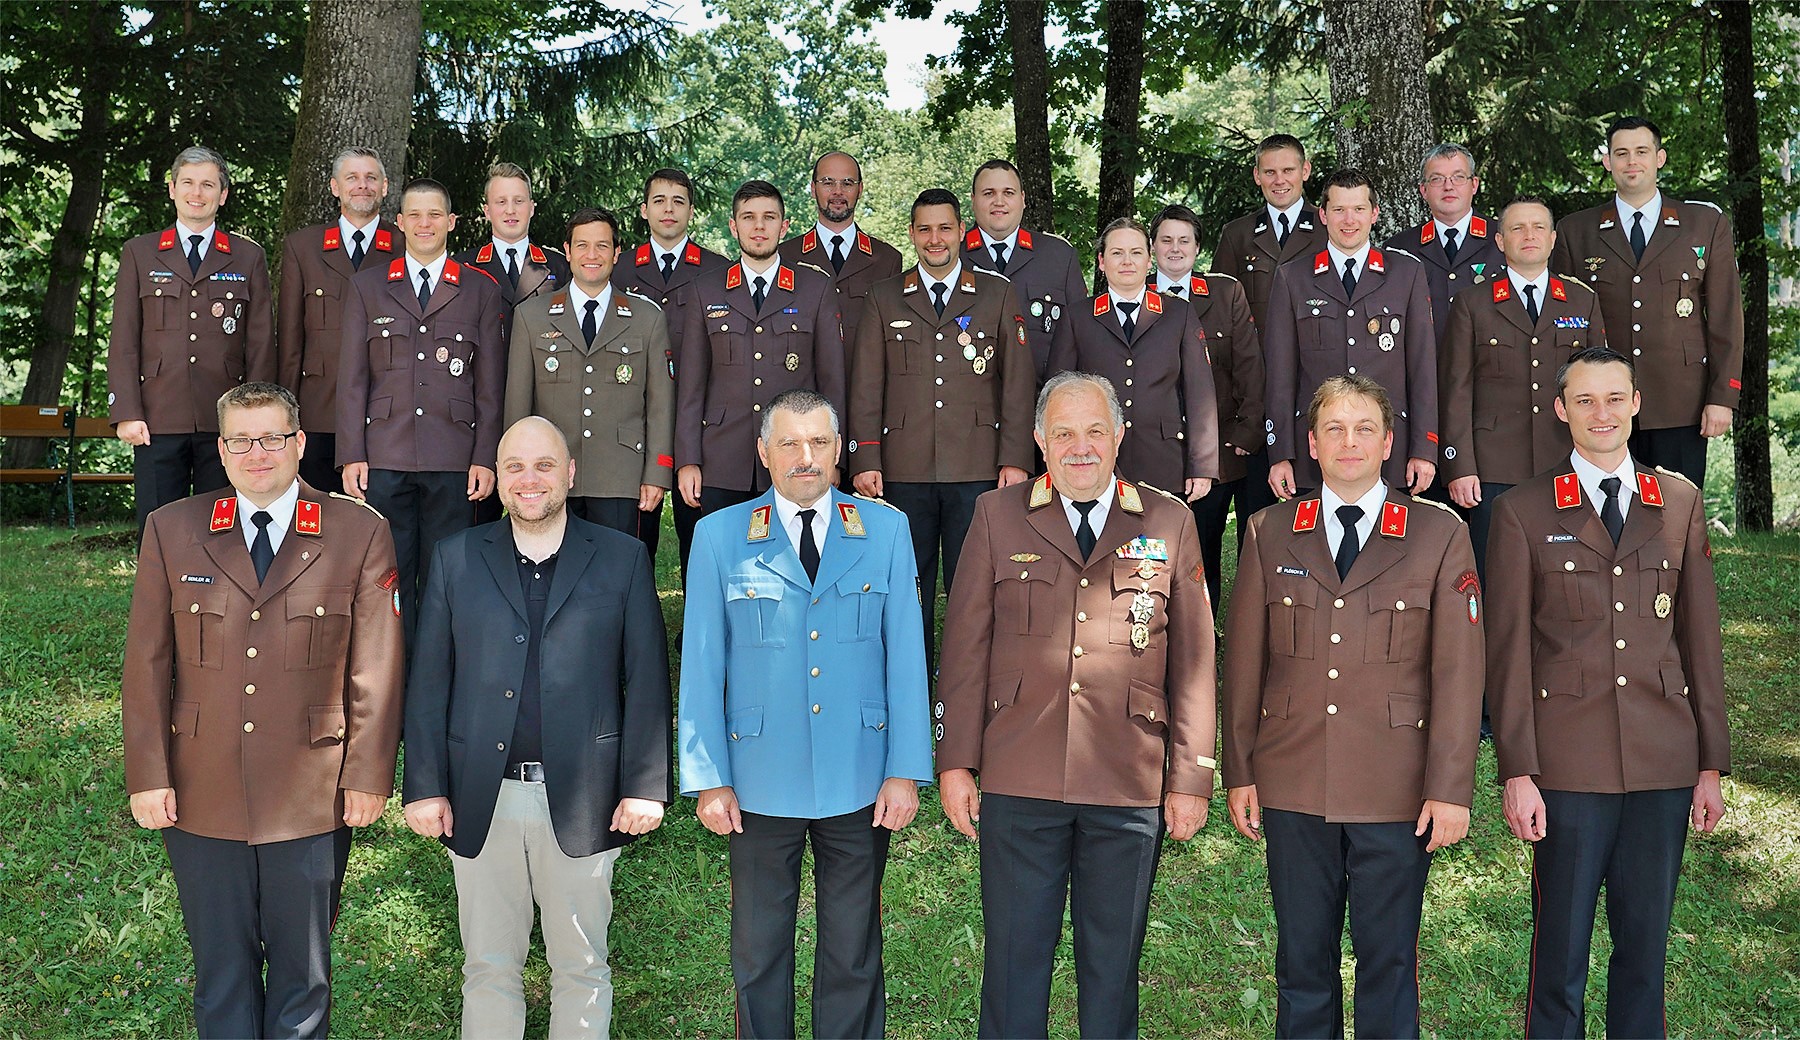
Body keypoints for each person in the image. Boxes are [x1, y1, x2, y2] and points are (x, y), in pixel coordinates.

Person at [935, 371, 1216, 1039]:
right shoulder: (996, 515)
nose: (1080, 447)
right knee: (1013, 964)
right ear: (1040, 440)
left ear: (1119, 435)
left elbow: (1195, 662)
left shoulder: (1170, 520)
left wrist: (1192, 778)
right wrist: (955, 762)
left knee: (1113, 970)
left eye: (1094, 431)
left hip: (1127, 775)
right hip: (1020, 769)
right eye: (1063, 433)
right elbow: (965, 647)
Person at [122, 381, 403, 1038]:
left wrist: (367, 775)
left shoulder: (358, 531)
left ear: (299, 443)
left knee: (304, 978)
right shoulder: (173, 528)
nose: (257, 453)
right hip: (201, 787)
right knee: (220, 972)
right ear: (221, 450)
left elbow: (377, 667)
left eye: (272, 438)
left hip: (312, 793)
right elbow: (147, 664)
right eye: (241, 441)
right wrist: (148, 775)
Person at [1222, 374, 1483, 1039]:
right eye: (1333, 429)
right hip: (1293, 778)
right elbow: (1245, 665)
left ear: (1389, 442)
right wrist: (1240, 772)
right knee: (1302, 964)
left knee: (1387, 963)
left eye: (1365, 428)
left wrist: (1450, 788)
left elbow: (1459, 674)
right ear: (1310, 444)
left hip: (1397, 786)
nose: (1349, 442)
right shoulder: (1268, 531)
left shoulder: (1438, 534)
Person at [1485, 346, 1730, 1038]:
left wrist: (1710, 765)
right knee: (1559, 960)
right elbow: (1507, 654)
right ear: (1561, 410)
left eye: (1615, 398)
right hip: (1567, 767)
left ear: (1636, 404)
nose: (1603, 413)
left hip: (1662, 762)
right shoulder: (1522, 511)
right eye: (1585, 400)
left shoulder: (1678, 501)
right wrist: (1517, 770)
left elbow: (1700, 642)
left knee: (1645, 958)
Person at [403, 416, 672, 1039]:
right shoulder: (455, 558)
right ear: (498, 478)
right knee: (487, 967)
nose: (530, 479)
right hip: (482, 794)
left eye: (544, 465)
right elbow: (429, 681)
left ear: (570, 473)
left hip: (584, 797)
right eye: (515, 467)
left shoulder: (623, 558)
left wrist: (644, 786)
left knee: (582, 966)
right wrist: (425, 785)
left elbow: (647, 681)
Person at [678, 389, 932, 1039]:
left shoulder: (885, 530)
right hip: (759, 776)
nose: (805, 456)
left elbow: (907, 655)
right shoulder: (720, 537)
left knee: (853, 950)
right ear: (763, 452)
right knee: (759, 950)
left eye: (819, 441)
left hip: (859, 772)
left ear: (839, 449)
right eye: (789, 443)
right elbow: (702, 666)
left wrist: (905, 768)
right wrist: (709, 778)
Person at [848, 188, 1036, 665]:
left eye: (945, 228)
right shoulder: (884, 296)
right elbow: (866, 385)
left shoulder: (996, 293)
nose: (935, 239)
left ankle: (966, 682)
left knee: (973, 584)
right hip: (902, 468)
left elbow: (1017, 384)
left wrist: (1015, 459)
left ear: (961, 232)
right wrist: (865, 457)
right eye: (925, 229)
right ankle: (910, 679)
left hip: (976, 466)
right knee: (906, 585)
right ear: (912, 234)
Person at [337, 177, 505, 647]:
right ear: (399, 222)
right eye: (415, 214)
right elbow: (352, 380)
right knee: (387, 574)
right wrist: (352, 454)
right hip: (384, 454)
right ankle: (391, 671)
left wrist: (485, 457)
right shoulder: (368, 286)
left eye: (435, 215)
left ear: (451, 222)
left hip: (454, 458)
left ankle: (439, 671)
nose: (424, 223)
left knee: (446, 576)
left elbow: (490, 387)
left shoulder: (479, 289)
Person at [1549, 116, 1744, 487]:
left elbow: (1725, 317)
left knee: (1677, 507)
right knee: (1606, 505)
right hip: (1603, 406)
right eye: (1621, 153)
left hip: (1680, 402)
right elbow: (1562, 325)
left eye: (1641, 151)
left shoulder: (1704, 224)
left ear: (1660, 158)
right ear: (1607, 162)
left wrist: (1723, 397)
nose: (1631, 161)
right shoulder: (1577, 231)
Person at [675, 179, 847, 574]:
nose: (758, 227)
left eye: (769, 218)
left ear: (784, 226)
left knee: (797, 565)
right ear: (733, 226)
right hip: (722, 455)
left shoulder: (814, 288)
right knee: (722, 565)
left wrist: (833, 458)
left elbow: (832, 382)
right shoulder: (705, 290)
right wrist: (688, 460)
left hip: (796, 456)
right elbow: (691, 386)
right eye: (748, 217)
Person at [108, 145, 275, 536]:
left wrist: (257, 417)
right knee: (157, 526)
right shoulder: (140, 252)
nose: (196, 193)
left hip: (226, 419)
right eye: (187, 183)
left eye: (207, 185)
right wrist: (127, 411)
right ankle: (158, 583)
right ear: (172, 189)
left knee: (223, 529)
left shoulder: (247, 256)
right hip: (157, 414)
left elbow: (261, 343)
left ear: (223, 194)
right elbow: (124, 338)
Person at [1439, 196, 1606, 575]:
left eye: (1538, 228)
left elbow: (1600, 386)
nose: (1528, 236)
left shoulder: (1582, 301)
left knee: (1567, 571)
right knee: (1495, 570)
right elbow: (1455, 390)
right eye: (1517, 228)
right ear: (1500, 241)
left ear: (1552, 239)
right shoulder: (1472, 303)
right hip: (1493, 465)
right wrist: (1460, 467)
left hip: (1566, 459)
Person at [505, 206, 673, 552]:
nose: (591, 255)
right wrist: (517, 472)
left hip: (621, 474)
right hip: (550, 474)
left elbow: (660, 405)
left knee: (621, 569)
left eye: (602, 246)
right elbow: (517, 407)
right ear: (567, 251)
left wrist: (657, 473)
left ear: (616, 253)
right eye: (582, 245)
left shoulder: (647, 317)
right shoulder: (531, 316)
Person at [1264, 169, 1438, 499]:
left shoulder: (1406, 273)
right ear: (1323, 215)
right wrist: (1281, 453)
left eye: (1358, 209)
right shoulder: (1293, 277)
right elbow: (1280, 375)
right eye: (1339, 209)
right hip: (1315, 450)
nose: (1349, 220)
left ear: (1374, 214)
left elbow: (1422, 369)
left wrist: (1424, 448)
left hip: (1390, 447)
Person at [1051, 216, 1220, 502]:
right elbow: (1058, 395)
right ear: (1102, 261)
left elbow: (1199, 393)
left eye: (1136, 252)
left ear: (1149, 260)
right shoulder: (1077, 317)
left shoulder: (1178, 313)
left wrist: (1202, 466)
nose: (1127, 261)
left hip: (1164, 460)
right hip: (1094, 461)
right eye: (1117, 253)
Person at [1147, 203, 1265, 611]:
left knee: (1204, 555)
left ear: (1198, 248)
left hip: (1216, 454)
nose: (1175, 249)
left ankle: (1201, 637)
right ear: (1152, 246)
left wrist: (1246, 432)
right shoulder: (1133, 292)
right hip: (1150, 451)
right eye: (1166, 240)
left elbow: (1249, 366)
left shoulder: (1225, 293)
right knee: (1149, 555)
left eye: (1184, 241)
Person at [612, 167, 731, 568]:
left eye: (678, 201)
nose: (668, 209)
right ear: (644, 209)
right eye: (659, 201)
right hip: (633, 421)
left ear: (691, 211)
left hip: (697, 422)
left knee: (699, 538)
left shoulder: (718, 270)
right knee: (630, 539)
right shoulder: (619, 268)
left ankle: (698, 612)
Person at [1212, 134, 1328, 532]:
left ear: (1305, 171)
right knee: (1257, 515)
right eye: (1270, 171)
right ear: (1257, 176)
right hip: (1256, 394)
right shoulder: (1238, 234)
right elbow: (1220, 319)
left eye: (1288, 170)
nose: (1280, 180)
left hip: (1315, 386)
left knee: (1316, 509)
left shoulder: (1329, 227)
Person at [277, 146, 404, 492]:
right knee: (317, 512)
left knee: (381, 514)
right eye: (352, 178)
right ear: (335, 187)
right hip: (319, 410)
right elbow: (290, 340)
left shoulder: (404, 246)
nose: (362, 185)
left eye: (371, 178)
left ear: (384, 187)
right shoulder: (303, 247)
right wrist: (285, 414)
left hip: (388, 413)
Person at [960, 159, 1088, 383]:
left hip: (1042, 399)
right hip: (968, 400)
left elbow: (1082, 337)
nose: (999, 201)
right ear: (973, 200)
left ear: (1023, 199)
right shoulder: (953, 257)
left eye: (1008, 193)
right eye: (988, 193)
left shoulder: (1058, 256)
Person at [777, 151, 904, 356]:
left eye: (847, 183)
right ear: (813, 189)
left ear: (860, 189)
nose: (838, 192)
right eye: (828, 183)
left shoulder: (887, 260)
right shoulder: (785, 256)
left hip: (863, 375)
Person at [1382, 143, 1504, 346]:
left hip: (1487, 362)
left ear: (1474, 185)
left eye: (1458, 177)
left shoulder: (1503, 238)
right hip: (1426, 361)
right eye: (1437, 179)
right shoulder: (1399, 248)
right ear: (1424, 190)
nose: (1449, 186)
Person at [454, 161, 572, 328]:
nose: (510, 210)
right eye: (501, 202)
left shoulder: (559, 267)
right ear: (487, 211)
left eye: (518, 201)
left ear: (531, 208)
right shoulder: (462, 267)